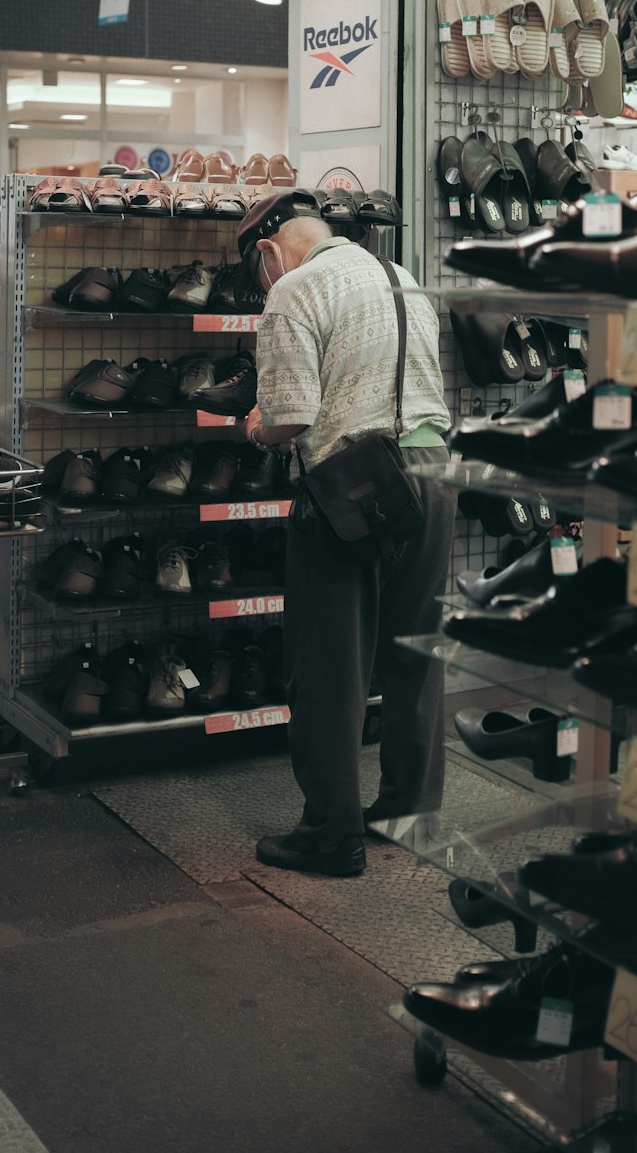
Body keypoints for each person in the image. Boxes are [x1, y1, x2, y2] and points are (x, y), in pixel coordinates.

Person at [236, 193, 455, 877]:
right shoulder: (399, 274)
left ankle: (333, 834)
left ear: (268, 252)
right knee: (415, 655)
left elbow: (292, 416)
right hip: (431, 470)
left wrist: (251, 422)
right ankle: (408, 812)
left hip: (352, 483)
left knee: (330, 666)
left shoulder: (294, 292)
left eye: (255, 273)